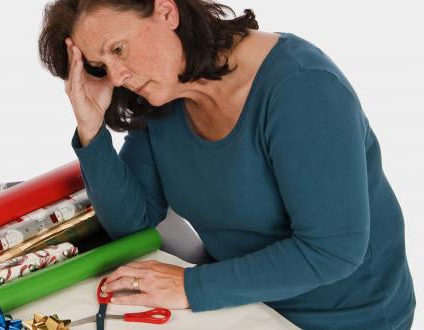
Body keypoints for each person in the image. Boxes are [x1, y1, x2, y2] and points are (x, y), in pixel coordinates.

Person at [38, 0, 416, 329]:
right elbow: (134, 223)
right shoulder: (163, 97)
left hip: (344, 317)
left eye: (118, 48)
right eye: (101, 65)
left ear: (166, 11)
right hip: (239, 302)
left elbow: (333, 250)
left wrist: (190, 287)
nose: (117, 76)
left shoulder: (302, 87)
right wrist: (91, 129)